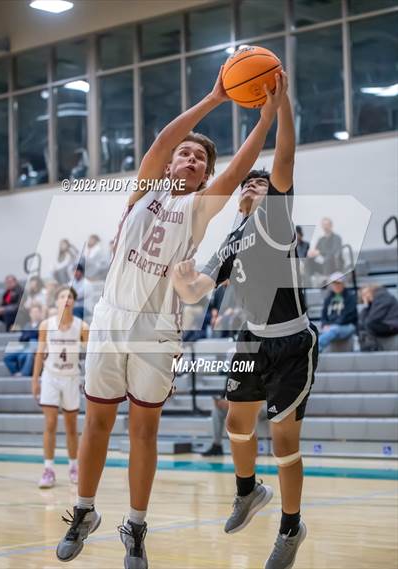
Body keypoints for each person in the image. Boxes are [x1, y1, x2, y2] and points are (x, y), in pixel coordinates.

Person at [56, 67, 287, 568]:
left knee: (143, 431)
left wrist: (265, 119)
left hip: (158, 330)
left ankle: (135, 527)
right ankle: (84, 510)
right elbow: (163, 139)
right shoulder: (145, 190)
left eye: (198, 157)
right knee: (97, 422)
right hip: (112, 318)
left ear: (205, 176)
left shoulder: (200, 207)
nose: (188, 157)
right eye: (185, 152)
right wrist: (214, 97)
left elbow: (234, 172)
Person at [172, 88, 318, 569]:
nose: (250, 189)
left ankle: (291, 527)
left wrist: (282, 105)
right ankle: (248, 492)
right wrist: (182, 276)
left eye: (259, 185)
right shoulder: (231, 239)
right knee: (237, 423)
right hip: (252, 338)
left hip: (292, 341)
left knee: (283, 441)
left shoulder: (277, 220)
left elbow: (285, 157)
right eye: (245, 187)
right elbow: (197, 292)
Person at [32, 286, 89, 489]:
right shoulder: (46, 325)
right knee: (50, 424)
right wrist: (35, 380)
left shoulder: (82, 326)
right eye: (62, 296)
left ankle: (74, 467)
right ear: (56, 302)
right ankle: (48, 469)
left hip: (71, 377)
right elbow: (40, 352)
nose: (66, 299)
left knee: (72, 427)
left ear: (74, 302)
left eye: (70, 296)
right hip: (50, 376)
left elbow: (91, 354)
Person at [318, 272, 357, 352]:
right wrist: (325, 324)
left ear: (343, 284)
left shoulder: (350, 297)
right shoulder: (328, 298)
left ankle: (316, 349)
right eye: (334, 283)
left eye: (338, 283)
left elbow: (348, 316)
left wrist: (332, 325)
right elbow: (324, 315)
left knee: (334, 329)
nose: (336, 286)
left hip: (348, 326)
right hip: (332, 327)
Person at [3, 304, 43, 376]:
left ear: (40, 313)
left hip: (35, 346)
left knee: (31, 345)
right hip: (25, 346)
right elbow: (22, 338)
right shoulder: (27, 325)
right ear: (30, 314)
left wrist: (29, 336)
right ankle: (15, 373)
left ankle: (24, 373)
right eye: (33, 312)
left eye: (37, 312)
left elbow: (37, 336)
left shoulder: (42, 324)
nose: (35, 314)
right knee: (7, 358)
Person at [359, 284, 398, 350]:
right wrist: (366, 305)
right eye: (363, 295)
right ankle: (369, 346)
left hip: (392, 325)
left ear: (372, 290)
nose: (366, 296)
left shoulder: (382, 296)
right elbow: (362, 319)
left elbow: (374, 317)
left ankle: (372, 346)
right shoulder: (373, 302)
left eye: (367, 293)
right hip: (385, 324)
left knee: (369, 324)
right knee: (362, 325)